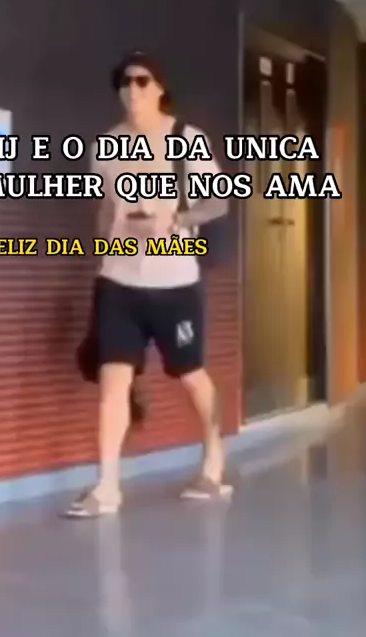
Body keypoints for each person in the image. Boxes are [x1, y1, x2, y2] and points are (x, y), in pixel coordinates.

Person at [67, 51, 232, 517]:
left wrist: (177, 217)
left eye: (142, 81)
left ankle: (213, 464)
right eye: (125, 82)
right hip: (119, 281)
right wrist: (104, 249)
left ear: (160, 88)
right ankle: (107, 487)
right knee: (113, 380)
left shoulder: (187, 140)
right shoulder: (106, 146)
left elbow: (217, 203)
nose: (132, 90)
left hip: (175, 282)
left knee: (191, 375)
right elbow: (105, 208)